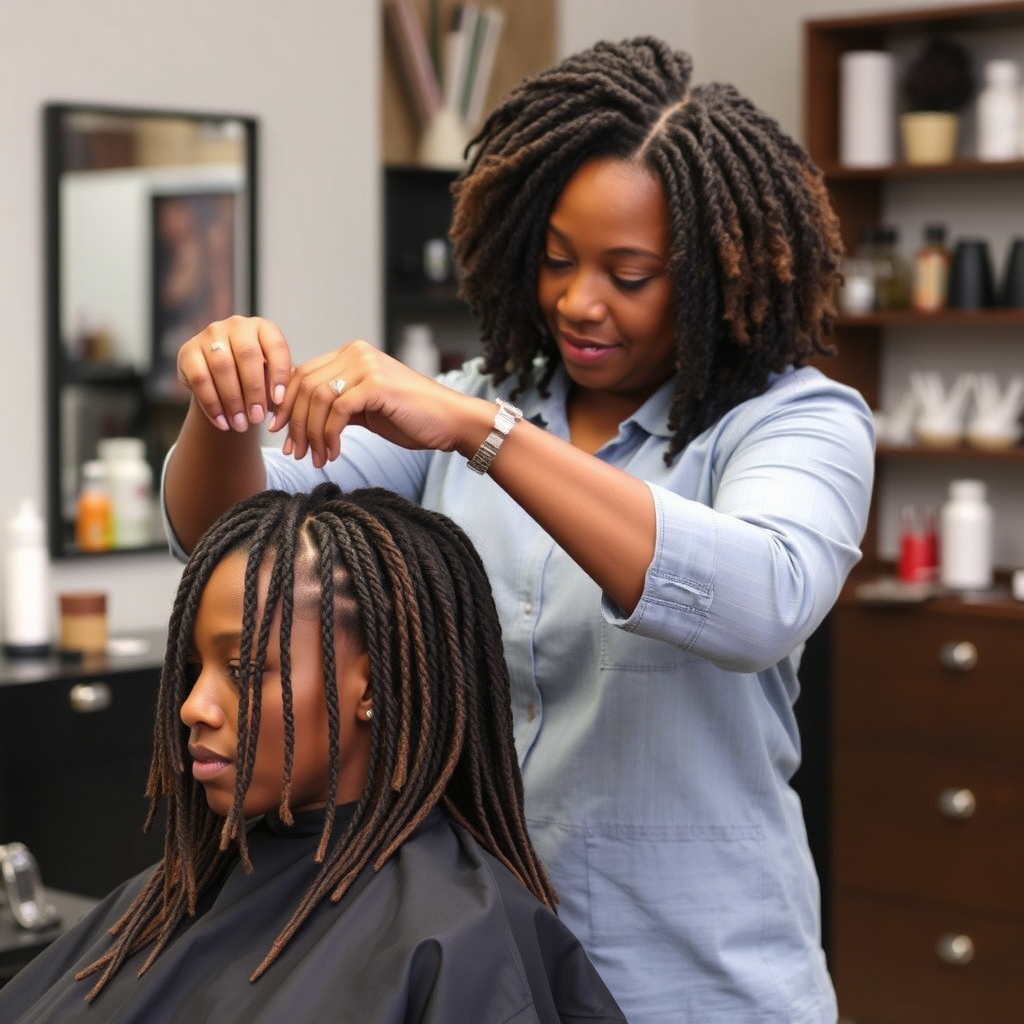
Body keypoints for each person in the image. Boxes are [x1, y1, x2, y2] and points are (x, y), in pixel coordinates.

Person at [161, 37, 875, 1023]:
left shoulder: (793, 422)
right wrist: (222, 406)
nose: (579, 303)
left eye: (630, 275)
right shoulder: (474, 402)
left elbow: (761, 601)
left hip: (700, 983)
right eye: (555, 259)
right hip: (488, 976)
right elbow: (233, 539)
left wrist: (487, 436)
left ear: (717, 272)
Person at [0, 485, 626, 1024]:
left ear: (374, 688)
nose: (193, 706)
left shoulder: (453, 942)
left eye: (245, 668)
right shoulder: (176, 891)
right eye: (192, 670)